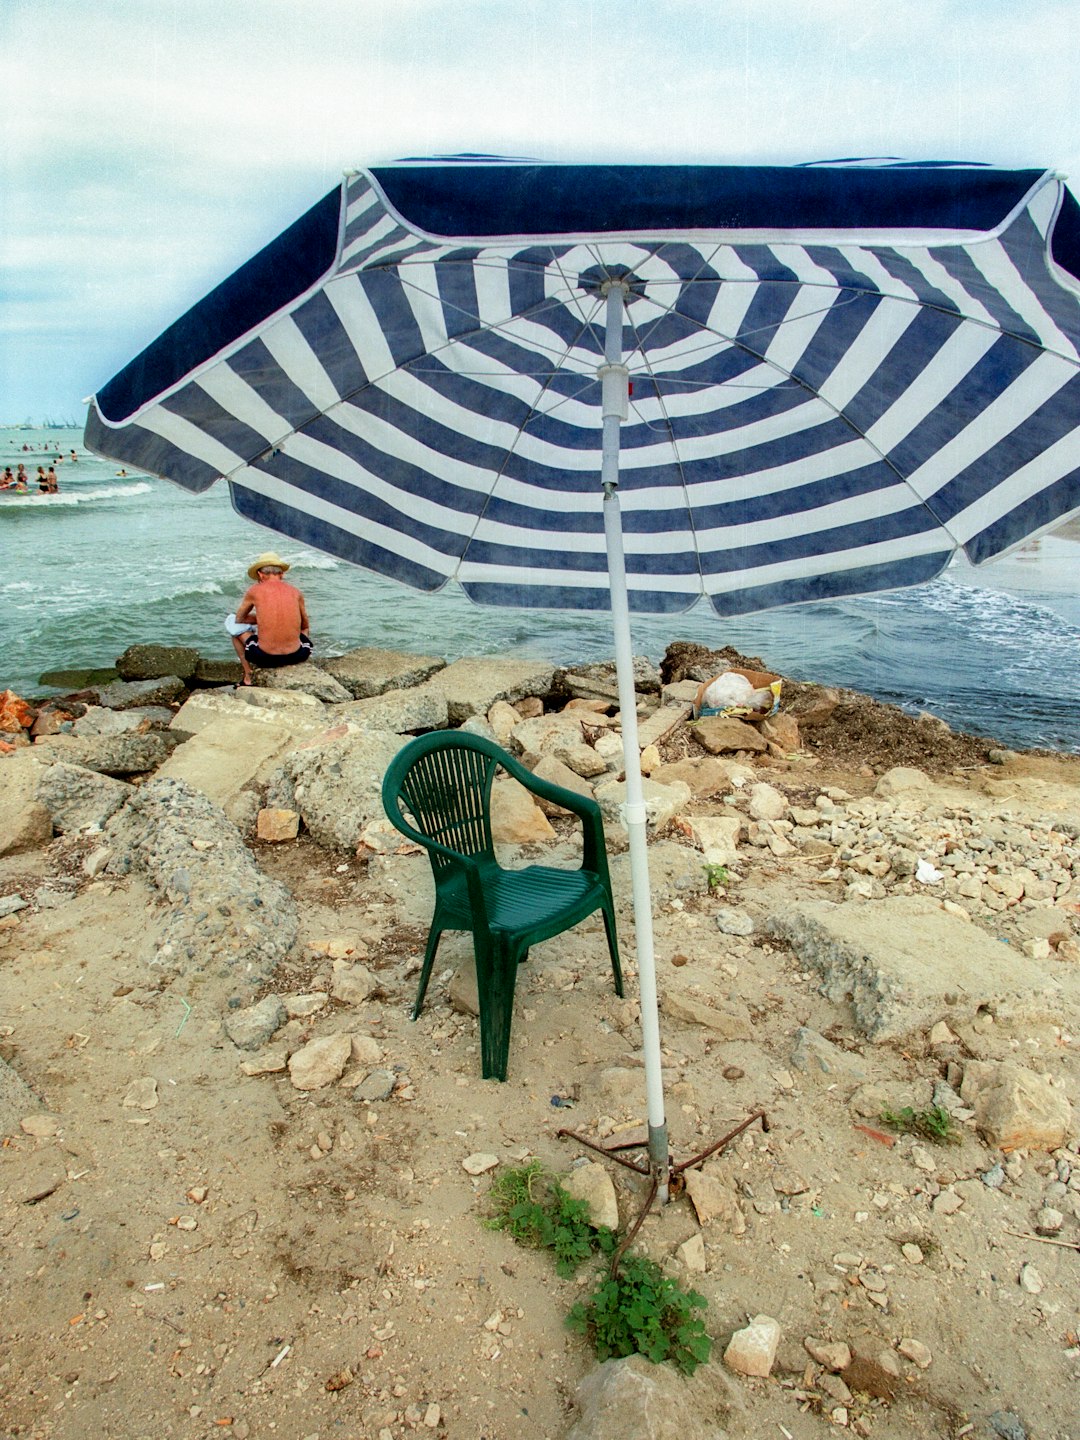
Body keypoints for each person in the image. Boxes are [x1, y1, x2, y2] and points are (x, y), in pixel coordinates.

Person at [230, 551, 312, 686]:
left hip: (265, 658)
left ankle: (248, 676)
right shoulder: (295, 592)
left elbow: (240, 618)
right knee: (304, 630)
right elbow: (305, 625)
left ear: (260, 574)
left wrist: (262, 618)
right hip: (298, 655)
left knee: (235, 632)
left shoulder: (254, 590)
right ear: (282, 574)